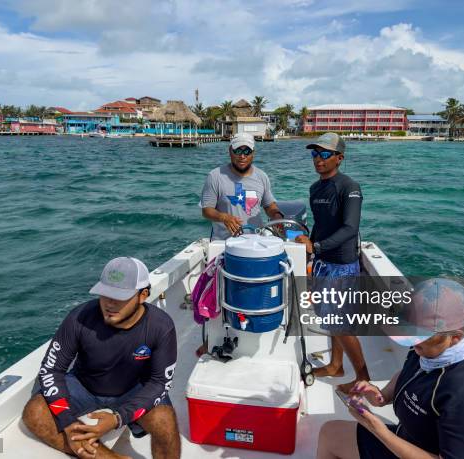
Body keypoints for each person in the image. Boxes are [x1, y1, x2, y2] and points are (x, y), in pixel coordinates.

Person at [317, 278, 464, 459]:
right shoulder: (430, 347)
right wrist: (382, 395)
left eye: (419, 341)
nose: (413, 347)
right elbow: (411, 370)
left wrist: (379, 431)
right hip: (407, 441)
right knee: (329, 434)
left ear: (455, 337)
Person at [22, 257, 180, 459]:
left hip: (133, 389)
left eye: (120, 297)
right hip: (83, 386)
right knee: (34, 412)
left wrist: (118, 418)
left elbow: (159, 383)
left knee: (165, 420)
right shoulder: (79, 317)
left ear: (143, 295)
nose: (109, 304)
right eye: (105, 294)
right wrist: (67, 422)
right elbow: (52, 370)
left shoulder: (161, 327)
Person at [295, 133, 369, 390]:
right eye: (315, 154)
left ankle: (363, 379)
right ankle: (336, 366)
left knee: (341, 324)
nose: (318, 159)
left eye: (325, 154)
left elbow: (350, 227)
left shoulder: (350, 187)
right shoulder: (315, 188)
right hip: (322, 262)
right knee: (331, 321)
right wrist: (309, 243)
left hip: (342, 264)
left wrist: (315, 246)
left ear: (339, 158)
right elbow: (321, 224)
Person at [201, 132, 284, 239]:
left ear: (253, 153)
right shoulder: (215, 176)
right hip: (224, 243)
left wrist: (276, 216)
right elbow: (206, 210)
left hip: (256, 241)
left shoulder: (262, 176)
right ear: (230, 151)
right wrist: (223, 217)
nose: (242, 156)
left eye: (247, 151)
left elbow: (269, 205)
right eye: (238, 151)